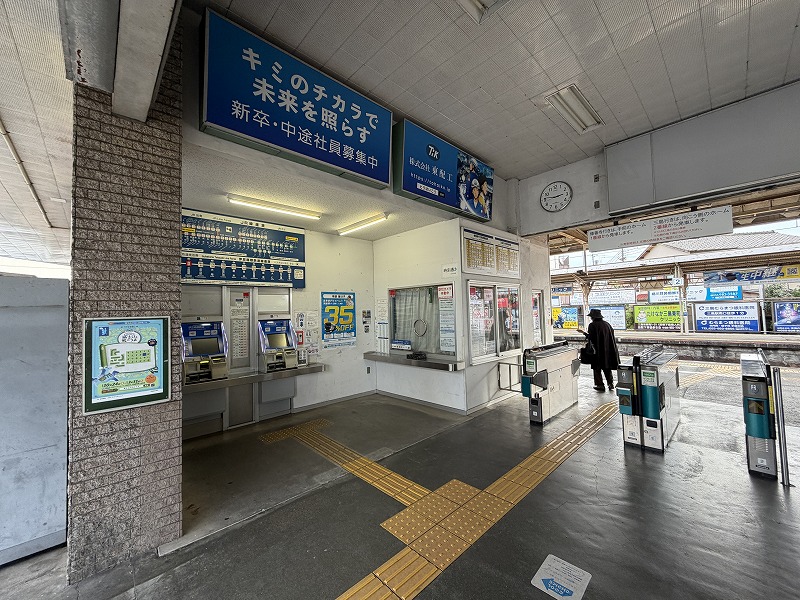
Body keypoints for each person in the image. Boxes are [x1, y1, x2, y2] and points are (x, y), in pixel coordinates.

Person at [578, 309, 620, 392]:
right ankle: (610, 383)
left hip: (597, 352)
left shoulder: (592, 325)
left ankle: (600, 385)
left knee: (597, 369)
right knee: (606, 367)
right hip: (607, 351)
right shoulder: (607, 324)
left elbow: (591, 338)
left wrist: (584, 333)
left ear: (593, 317)